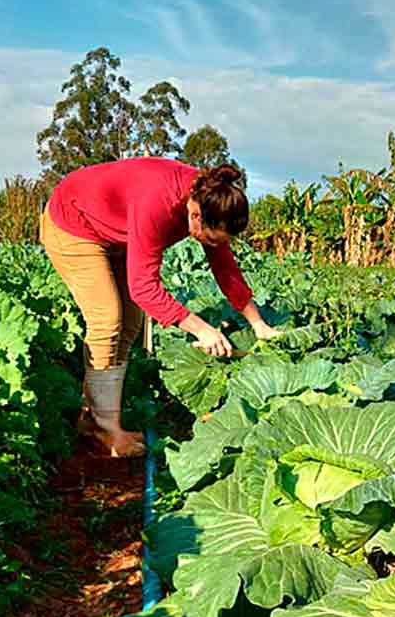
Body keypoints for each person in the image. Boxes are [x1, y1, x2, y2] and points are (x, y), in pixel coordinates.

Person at [41, 158, 281, 458]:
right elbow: (144, 287)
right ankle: (103, 429)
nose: (211, 244)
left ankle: (98, 417)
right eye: (209, 238)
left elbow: (225, 268)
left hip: (115, 232)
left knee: (130, 323)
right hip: (74, 222)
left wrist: (258, 324)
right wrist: (201, 329)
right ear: (195, 215)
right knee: (107, 318)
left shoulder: (211, 198)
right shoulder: (159, 202)